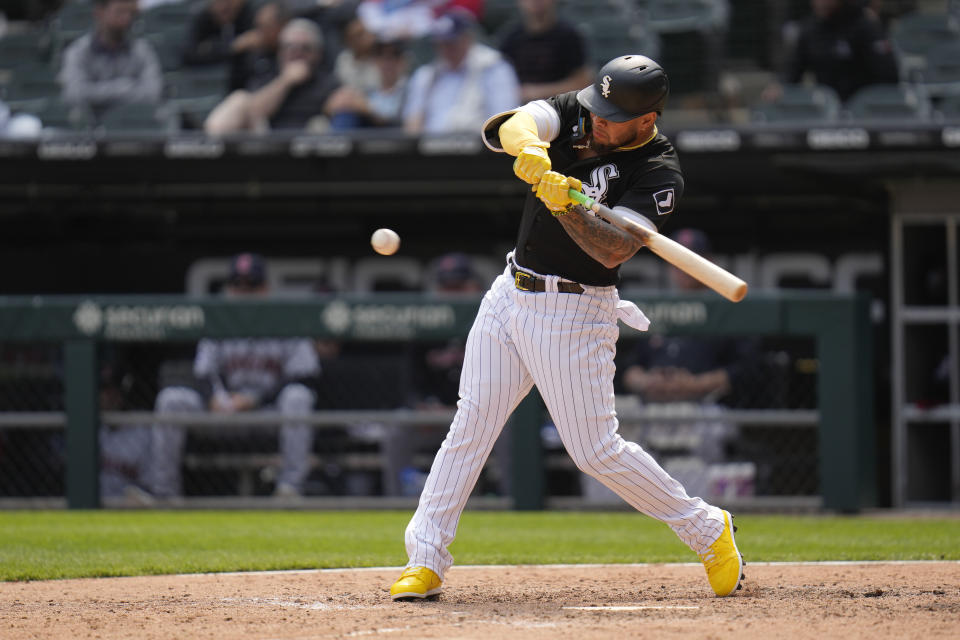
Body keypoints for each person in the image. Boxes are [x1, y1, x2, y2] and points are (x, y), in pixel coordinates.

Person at [389, 54, 745, 601]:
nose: (597, 122)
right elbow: (515, 123)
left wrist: (567, 207)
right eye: (596, 109)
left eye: (612, 117)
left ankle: (707, 528)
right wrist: (531, 149)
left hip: (575, 311)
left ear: (646, 120)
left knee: (595, 450)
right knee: (472, 425)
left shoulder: (658, 170)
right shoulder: (580, 111)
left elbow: (614, 249)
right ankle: (427, 557)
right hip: (510, 290)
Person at [146, 253, 321, 500]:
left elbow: (305, 374)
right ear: (228, 289)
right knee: (171, 399)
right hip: (221, 413)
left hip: (267, 414)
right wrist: (213, 398)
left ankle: (290, 488)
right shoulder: (219, 321)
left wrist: (255, 399)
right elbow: (202, 373)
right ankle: (163, 493)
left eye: (252, 286)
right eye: (238, 286)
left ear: (265, 290)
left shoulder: (285, 320)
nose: (244, 292)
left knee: (298, 397)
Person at [619, 228, 762, 500]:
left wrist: (697, 384)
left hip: (706, 409)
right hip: (654, 408)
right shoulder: (657, 307)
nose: (682, 268)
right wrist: (646, 381)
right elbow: (629, 364)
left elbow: (748, 369)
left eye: (691, 258)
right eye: (677, 260)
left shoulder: (727, 307)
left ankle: (701, 503)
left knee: (706, 429)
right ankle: (632, 504)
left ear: (708, 262)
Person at [204, 18, 353, 134]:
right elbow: (251, 112)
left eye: (305, 48)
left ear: (318, 54)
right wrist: (285, 81)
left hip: (311, 153)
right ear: (280, 52)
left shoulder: (327, 82)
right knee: (239, 100)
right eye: (289, 47)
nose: (296, 53)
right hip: (267, 148)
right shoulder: (267, 76)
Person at [402, 8, 520, 134]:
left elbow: (503, 121)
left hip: (478, 148)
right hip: (427, 149)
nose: (447, 49)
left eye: (452, 42)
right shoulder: (426, 75)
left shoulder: (493, 67)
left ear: (468, 38)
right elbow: (412, 124)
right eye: (442, 43)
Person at [765, 0, 898, 103]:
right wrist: (780, 86)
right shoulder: (809, 29)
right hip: (826, 108)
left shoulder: (864, 26)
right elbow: (793, 70)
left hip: (865, 109)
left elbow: (888, 76)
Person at [58, 0, 163, 121]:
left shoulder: (142, 50)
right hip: (91, 129)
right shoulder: (78, 51)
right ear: (99, 12)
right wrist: (124, 87)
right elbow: (74, 94)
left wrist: (96, 94)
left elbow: (152, 93)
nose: (127, 18)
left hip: (136, 126)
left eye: (131, 13)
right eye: (120, 11)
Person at [498, 0, 592, 103]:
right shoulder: (510, 39)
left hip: (560, 110)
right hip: (520, 111)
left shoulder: (569, 36)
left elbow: (583, 83)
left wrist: (537, 92)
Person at [228, 0, 292, 92]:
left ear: (282, 26)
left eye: (265, 27)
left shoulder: (293, 51)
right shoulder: (257, 52)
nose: (258, 33)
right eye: (258, 26)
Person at [182, 0, 255, 67]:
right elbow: (189, 54)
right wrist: (232, 46)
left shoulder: (248, 13)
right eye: (221, 1)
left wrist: (209, 47)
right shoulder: (201, 16)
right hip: (207, 70)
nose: (224, 6)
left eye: (229, 3)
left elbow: (252, 46)